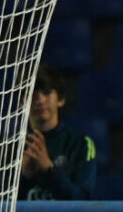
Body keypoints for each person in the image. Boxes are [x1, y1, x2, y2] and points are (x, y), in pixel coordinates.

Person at [19, 65, 96, 200]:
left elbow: (84, 201)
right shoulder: (8, 147)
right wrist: (24, 177)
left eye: (47, 92)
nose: (40, 100)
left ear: (60, 99)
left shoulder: (81, 144)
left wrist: (50, 170)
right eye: (32, 93)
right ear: (22, 102)